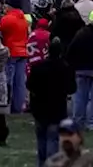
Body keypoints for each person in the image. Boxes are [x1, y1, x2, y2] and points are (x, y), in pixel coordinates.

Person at [28, 37, 74, 167]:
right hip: (57, 109)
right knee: (53, 139)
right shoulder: (65, 68)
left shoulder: (38, 67)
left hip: (39, 108)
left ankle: (42, 163)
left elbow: (30, 85)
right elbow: (72, 88)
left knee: (41, 138)